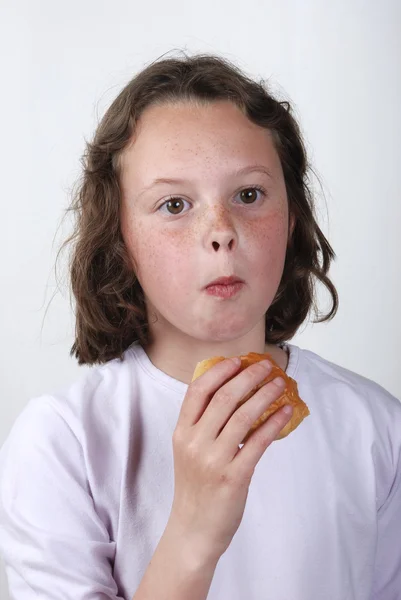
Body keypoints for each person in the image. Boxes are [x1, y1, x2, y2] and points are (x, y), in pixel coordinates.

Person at [0, 52, 400, 600]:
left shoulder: (375, 426)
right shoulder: (63, 444)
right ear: (118, 238)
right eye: (173, 204)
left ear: (292, 218)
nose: (221, 231)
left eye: (249, 195)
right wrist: (193, 532)